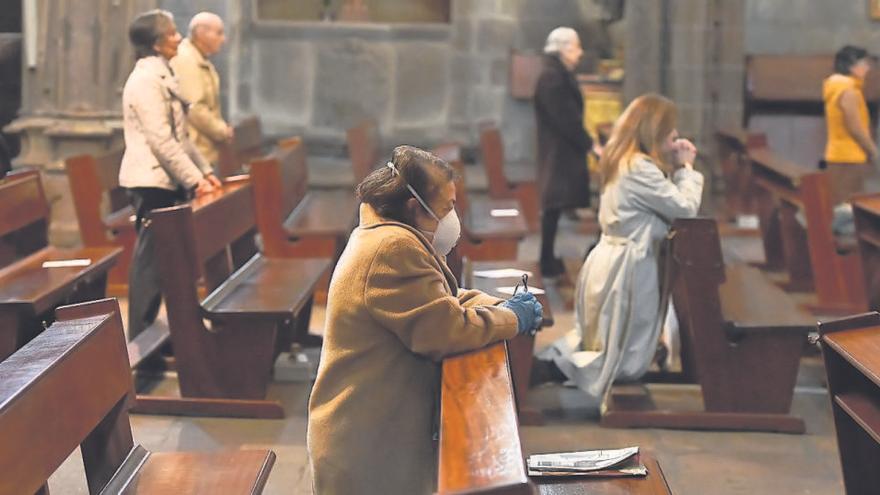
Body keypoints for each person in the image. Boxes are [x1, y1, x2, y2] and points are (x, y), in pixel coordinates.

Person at [307, 145, 544, 495]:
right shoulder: (392, 249)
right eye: (447, 208)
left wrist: (500, 305)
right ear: (415, 207)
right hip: (365, 441)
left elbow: (442, 301)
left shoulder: (389, 234)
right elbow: (444, 331)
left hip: (378, 425)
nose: (452, 217)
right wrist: (511, 319)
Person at [535, 94, 703, 412]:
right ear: (653, 130)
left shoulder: (623, 159)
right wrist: (686, 169)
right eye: (670, 133)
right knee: (621, 356)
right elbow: (684, 208)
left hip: (614, 258)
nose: (674, 139)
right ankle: (552, 370)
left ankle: (553, 367)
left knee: (608, 342)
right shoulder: (638, 167)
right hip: (629, 266)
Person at [119, 10, 221, 340]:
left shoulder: (163, 73)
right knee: (151, 266)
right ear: (157, 43)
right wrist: (194, 180)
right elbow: (161, 141)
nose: (179, 38)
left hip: (166, 180)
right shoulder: (145, 81)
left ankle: (172, 337)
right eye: (172, 33)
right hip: (151, 182)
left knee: (172, 264)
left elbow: (182, 138)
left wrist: (205, 171)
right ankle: (140, 339)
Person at [534, 27, 593, 277]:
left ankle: (548, 258)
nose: (580, 53)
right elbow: (566, 118)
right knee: (552, 206)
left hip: (560, 150)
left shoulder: (556, 73)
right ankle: (546, 260)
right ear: (565, 48)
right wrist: (589, 144)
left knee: (554, 208)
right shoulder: (552, 77)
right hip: (559, 151)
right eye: (577, 47)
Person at [170, 11, 232, 167]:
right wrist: (222, 131)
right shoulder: (187, 60)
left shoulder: (199, 58)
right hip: (193, 151)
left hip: (202, 150)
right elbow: (194, 107)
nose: (223, 39)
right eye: (219, 33)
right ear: (201, 33)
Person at [824, 45, 878, 204]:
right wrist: (873, 150)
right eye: (864, 64)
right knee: (848, 207)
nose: (868, 68)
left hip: (840, 154)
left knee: (843, 203)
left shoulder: (838, 86)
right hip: (849, 156)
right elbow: (855, 127)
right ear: (852, 66)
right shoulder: (848, 91)